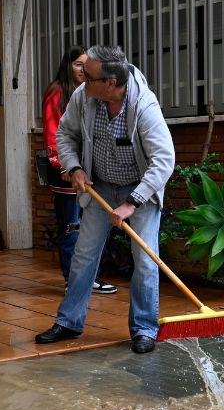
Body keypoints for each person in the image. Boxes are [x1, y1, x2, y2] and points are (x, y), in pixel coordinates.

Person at [35, 45, 174, 354]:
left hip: (140, 190)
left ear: (111, 83)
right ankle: (69, 322)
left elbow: (164, 160)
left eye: (90, 76)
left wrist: (132, 203)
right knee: (84, 256)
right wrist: (75, 167)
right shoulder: (84, 97)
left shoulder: (144, 107)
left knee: (145, 260)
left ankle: (143, 329)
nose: (83, 81)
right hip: (99, 186)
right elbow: (65, 136)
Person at [41, 46, 117, 295]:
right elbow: (55, 134)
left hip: (89, 170)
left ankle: (89, 279)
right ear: (67, 66)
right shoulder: (57, 92)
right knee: (71, 226)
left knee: (91, 227)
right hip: (66, 171)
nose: (82, 70)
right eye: (77, 65)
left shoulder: (89, 92)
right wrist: (65, 166)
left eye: (86, 66)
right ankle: (72, 281)